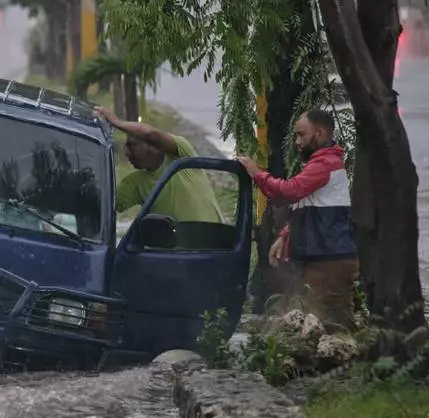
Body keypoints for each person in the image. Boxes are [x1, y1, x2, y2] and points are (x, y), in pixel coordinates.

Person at [237, 108, 358, 330]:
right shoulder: (320, 163)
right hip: (323, 259)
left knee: (325, 325)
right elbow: (307, 207)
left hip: (328, 262)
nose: (297, 142)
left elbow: (290, 191)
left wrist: (257, 174)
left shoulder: (325, 164)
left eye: (302, 135)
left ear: (320, 133)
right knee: (322, 323)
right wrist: (285, 236)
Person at [95, 106, 223, 224]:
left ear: (151, 145)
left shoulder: (181, 155)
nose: (126, 152)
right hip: (180, 242)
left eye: (132, 145)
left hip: (215, 238)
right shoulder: (135, 183)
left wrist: (117, 122)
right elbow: (104, 204)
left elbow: (150, 134)